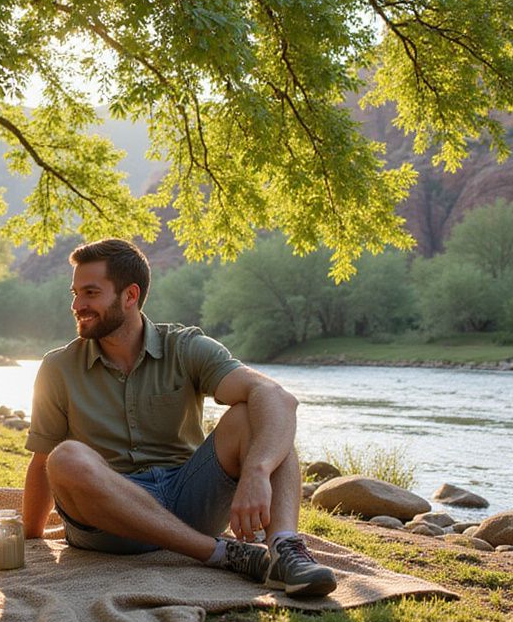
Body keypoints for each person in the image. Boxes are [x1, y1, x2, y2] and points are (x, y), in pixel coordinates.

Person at [21, 239, 337, 597]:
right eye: (75, 293)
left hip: (190, 500)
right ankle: (220, 554)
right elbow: (44, 460)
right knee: (65, 457)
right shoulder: (58, 367)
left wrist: (256, 471)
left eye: (90, 293)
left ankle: (285, 551)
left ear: (130, 296)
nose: (78, 305)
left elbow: (278, 398)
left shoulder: (185, 347)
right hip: (111, 522)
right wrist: (29, 536)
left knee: (260, 413)